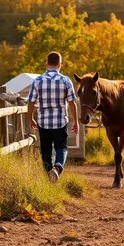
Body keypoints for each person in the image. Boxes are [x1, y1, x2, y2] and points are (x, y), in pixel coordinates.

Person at [27, 52, 79, 183]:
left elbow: (31, 102)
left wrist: (30, 119)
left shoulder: (37, 81)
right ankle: (57, 168)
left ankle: (49, 179)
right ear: (59, 64)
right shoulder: (65, 80)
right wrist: (76, 121)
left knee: (45, 151)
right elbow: (72, 103)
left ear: (46, 63)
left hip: (43, 122)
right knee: (61, 148)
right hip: (60, 122)